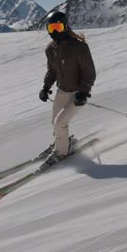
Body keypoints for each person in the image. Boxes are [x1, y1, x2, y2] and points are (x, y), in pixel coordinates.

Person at [38, 11, 96, 167]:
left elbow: (89, 72)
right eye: (51, 28)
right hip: (62, 91)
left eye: (57, 27)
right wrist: (45, 87)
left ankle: (62, 152)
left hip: (78, 93)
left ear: (65, 26)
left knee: (60, 123)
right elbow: (52, 71)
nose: (55, 31)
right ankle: (63, 141)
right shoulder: (50, 49)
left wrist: (83, 93)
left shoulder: (79, 47)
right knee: (55, 122)